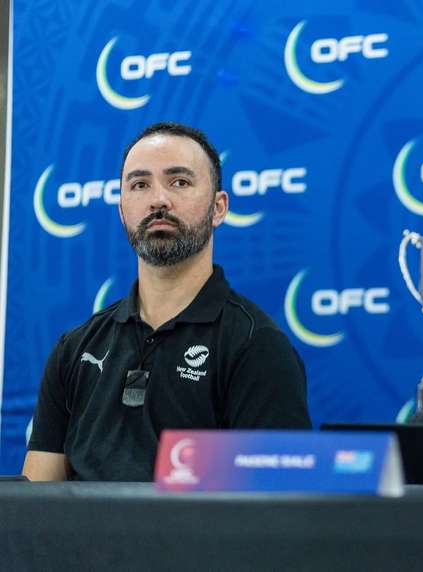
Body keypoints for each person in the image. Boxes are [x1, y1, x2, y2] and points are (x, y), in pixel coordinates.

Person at [23, 122, 312, 481]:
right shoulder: (74, 349)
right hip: (81, 539)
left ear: (219, 207)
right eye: (140, 184)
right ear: (122, 210)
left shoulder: (256, 346)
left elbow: (275, 514)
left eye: (180, 182)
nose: (158, 199)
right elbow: (37, 506)